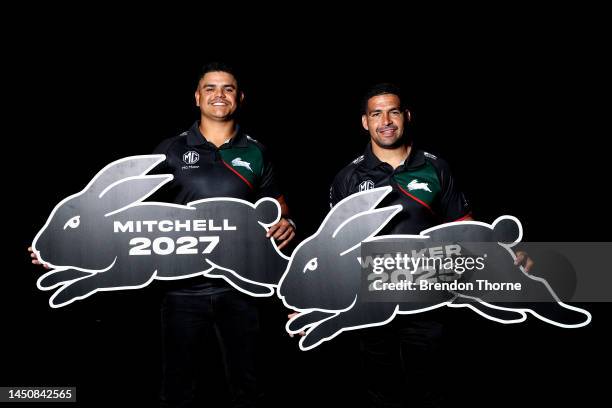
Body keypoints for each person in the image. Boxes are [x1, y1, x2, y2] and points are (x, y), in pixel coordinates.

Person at [31, 61, 295, 408]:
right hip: (180, 290)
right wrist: (66, 252)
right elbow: (129, 219)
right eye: (211, 89)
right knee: (178, 387)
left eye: (227, 88)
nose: (219, 95)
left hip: (238, 288)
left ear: (240, 97)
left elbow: (277, 205)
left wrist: (287, 222)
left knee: (248, 384)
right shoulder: (171, 148)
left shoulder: (256, 151)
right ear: (197, 97)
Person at [328, 83, 532, 407]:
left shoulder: (436, 167)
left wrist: (502, 254)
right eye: (376, 113)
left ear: (406, 116)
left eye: (393, 111)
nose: (386, 121)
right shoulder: (347, 178)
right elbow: (334, 248)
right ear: (365, 122)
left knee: (432, 389)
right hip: (371, 301)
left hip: (428, 295)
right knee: (380, 391)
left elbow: (463, 227)